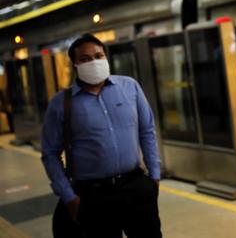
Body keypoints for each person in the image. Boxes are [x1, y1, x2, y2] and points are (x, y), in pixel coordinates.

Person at [41, 34, 162, 238]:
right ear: (75, 64)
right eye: (85, 59)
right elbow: (50, 154)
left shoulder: (129, 87)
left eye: (98, 56)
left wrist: (155, 175)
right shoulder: (61, 103)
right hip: (92, 195)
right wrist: (69, 197)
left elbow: (147, 130)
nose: (94, 62)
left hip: (136, 187)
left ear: (106, 56)